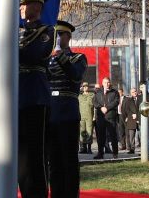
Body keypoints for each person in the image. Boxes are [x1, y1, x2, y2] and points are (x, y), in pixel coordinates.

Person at [18, 0, 54, 197]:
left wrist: (17, 41)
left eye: (25, 4)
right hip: (17, 98)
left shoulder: (47, 31)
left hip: (36, 98)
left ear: (37, 6)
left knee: (37, 154)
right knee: (21, 155)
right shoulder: (17, 31)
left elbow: (35, 54)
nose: (21, 8)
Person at [47, 20, 87, 198]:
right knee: (53, 160)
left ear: (68, 37)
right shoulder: (48, 60)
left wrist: (60, 55)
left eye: (59, 35)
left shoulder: (78, 58)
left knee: (69, 159)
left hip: (67, 112)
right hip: (50, 112)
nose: (55, 39)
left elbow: (75, 74)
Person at [93, 77, 120, 160]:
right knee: (100, 137)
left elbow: (116, 102)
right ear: (102, 83)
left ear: (110, 83)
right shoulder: (98, 92)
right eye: (105, 82)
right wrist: (101, 108)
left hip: (110, 117)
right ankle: (100, 153)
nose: (107, 84)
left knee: (113, 136)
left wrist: (107, 108)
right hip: (100, 117)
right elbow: (94, 102)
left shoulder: (114, 92)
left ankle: (115, 153)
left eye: (108, 82)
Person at [78, 82, 94, 154]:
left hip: (89, 116)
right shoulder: (79, 96)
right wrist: (79, 89)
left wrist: (94, 116)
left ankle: (89, 148)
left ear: (88, 87)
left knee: (89, 132)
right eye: (84, 87)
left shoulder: (92, 95)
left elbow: (95, 107)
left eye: (86, 86)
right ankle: (83, 148)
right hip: (81, 117)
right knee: (82, 132)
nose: (85, 88)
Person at [122, 88, 139, 154]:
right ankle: (132, 149)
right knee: (131, 136)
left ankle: (145, 149)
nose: (134, 93)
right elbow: (126, 109)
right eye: (132, 92)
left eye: (135, 91)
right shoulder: (128, 100)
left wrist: (137, 115)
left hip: (140, 120)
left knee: (141, 135)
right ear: (131, 93)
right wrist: (131, 115)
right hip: (131, 120)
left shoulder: (140, 99)